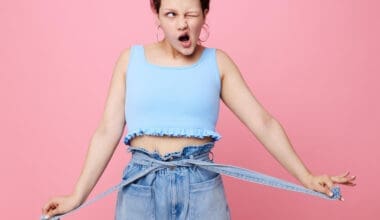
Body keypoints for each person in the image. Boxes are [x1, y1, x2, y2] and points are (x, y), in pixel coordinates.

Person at [41, 0, 356, 219]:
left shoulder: (217, 63)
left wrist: (306, 176)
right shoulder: (130, 61)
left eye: (191, 14)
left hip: (201, 185)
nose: (182, 24)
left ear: (205, 13)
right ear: (156, 13)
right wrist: (77, 195)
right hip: (140, 186)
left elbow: (263, 123)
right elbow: (107, 131)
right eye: (171, 14)